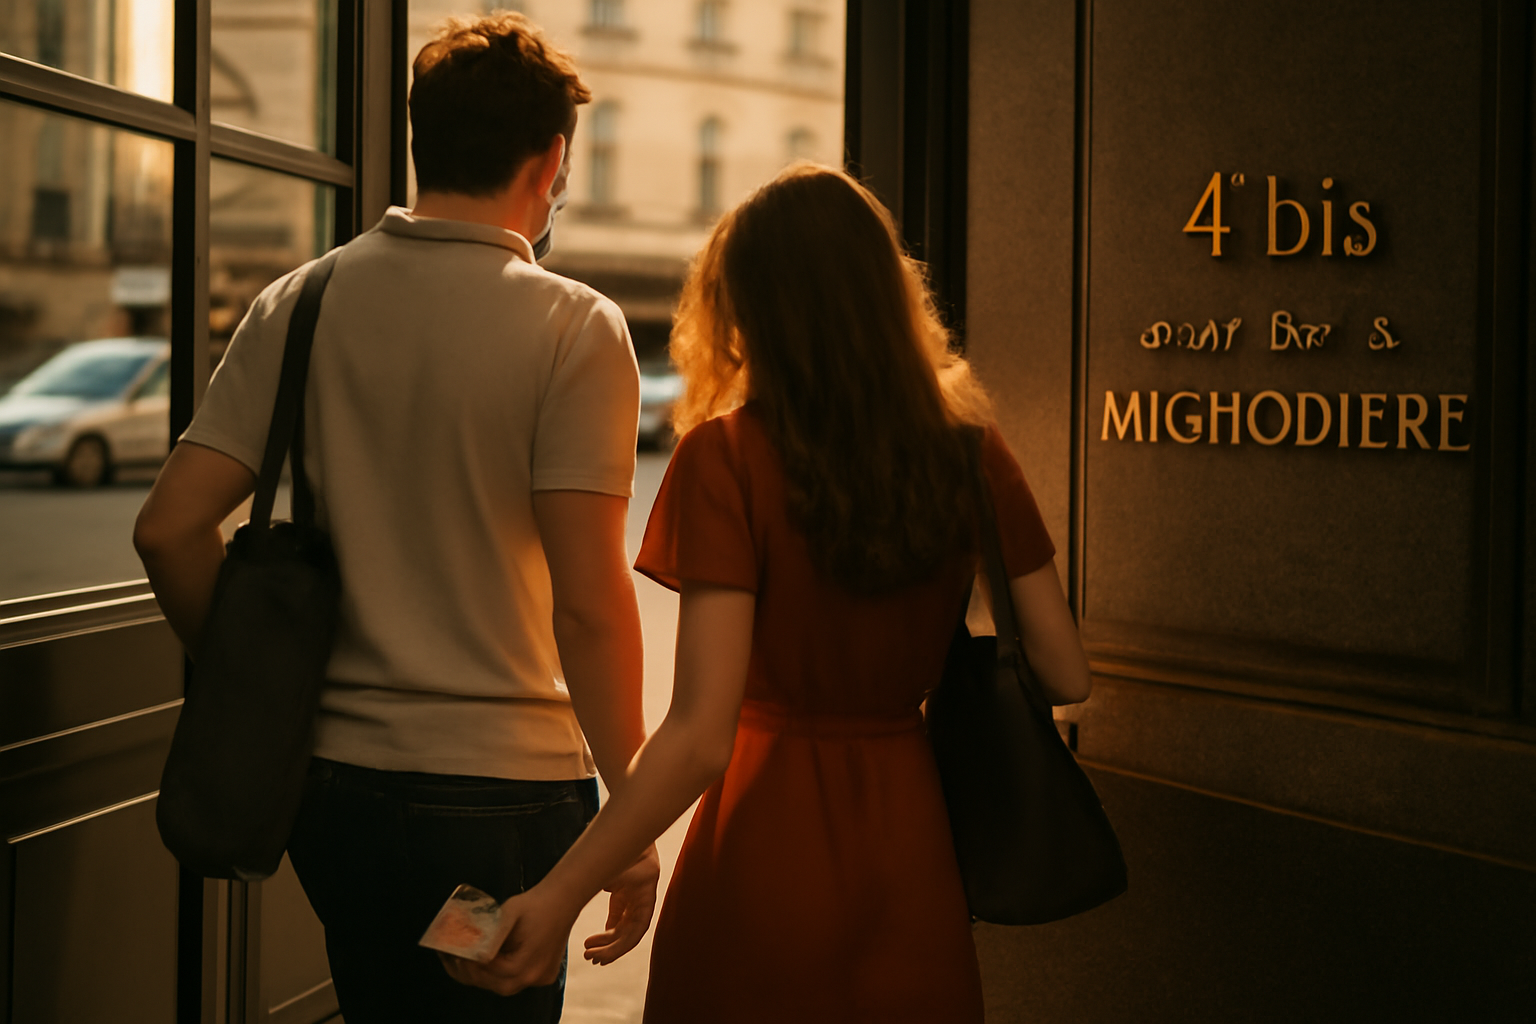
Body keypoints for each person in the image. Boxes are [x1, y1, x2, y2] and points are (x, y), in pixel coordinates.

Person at [442, 163, 1093, 1021]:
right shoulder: (971, 452)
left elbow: (700, 735)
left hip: (762, 845)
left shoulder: (728, 458)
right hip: (912, 849)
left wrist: (560, 894)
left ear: (744, 306)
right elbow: (1066, 674)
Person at [133, 13, 658, 1023]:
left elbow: (167, 528)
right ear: (551, 161)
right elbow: (590, 609)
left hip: (338, 793)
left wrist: (266, 687)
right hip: (506, 801)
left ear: (423, 140)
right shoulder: (574, 327)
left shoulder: (302, 299)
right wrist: (630, 813)